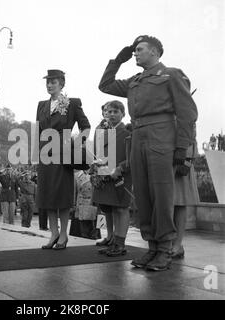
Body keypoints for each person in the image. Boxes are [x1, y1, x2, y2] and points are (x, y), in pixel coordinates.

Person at [99, 35, 198, 271]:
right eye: (134, 51)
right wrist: (118, 60)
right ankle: (152, 247)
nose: (135, 53)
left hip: (162, 136)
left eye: (139, 49)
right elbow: (105, 85)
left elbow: (187, 113)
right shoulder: (135, 81)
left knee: (162, 195)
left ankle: (165, 249)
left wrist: (182, 148)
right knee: (143, 196)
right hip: (138, 137)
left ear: (154, 52)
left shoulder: (171, 75)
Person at [36, 69, 91, 250]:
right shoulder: (41, 105)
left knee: (62, 195)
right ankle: (53, 233)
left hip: (64, 154)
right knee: (48, 195)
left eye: (53, 82)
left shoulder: (72, 103)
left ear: (61, 84)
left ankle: (64, 235)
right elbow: (38, 131)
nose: (49, 85)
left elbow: (85, 127)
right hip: (45, 154)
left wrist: (75, 145)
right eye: (48, 82)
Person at [91, 100, 132, 256]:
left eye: (116, 111)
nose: (111, 114)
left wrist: (120, 168)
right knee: (112, 208)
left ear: (123, 114)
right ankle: (114, 240)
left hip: (122, 176)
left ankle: (120, 243)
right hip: (107, 175)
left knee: (121, 208)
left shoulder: (128, 132)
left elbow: (132, 157)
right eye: (109, 111)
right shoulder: (104, 132)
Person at [172, 139, 199, 258]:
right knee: (168, 204)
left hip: (180, 160)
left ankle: (177, 245)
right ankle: (170, 243)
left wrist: (186, 159)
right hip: (166, 158)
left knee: (179, 203)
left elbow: (189, 134)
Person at [74, 170, 97, 239]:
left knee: (96, 218)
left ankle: (96, 233)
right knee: (83, 219)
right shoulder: (77, 175)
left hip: (94, 200)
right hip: (81, 201)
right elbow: (75, 191)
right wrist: (73, 204)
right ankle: (84, 234)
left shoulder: (97, 173)